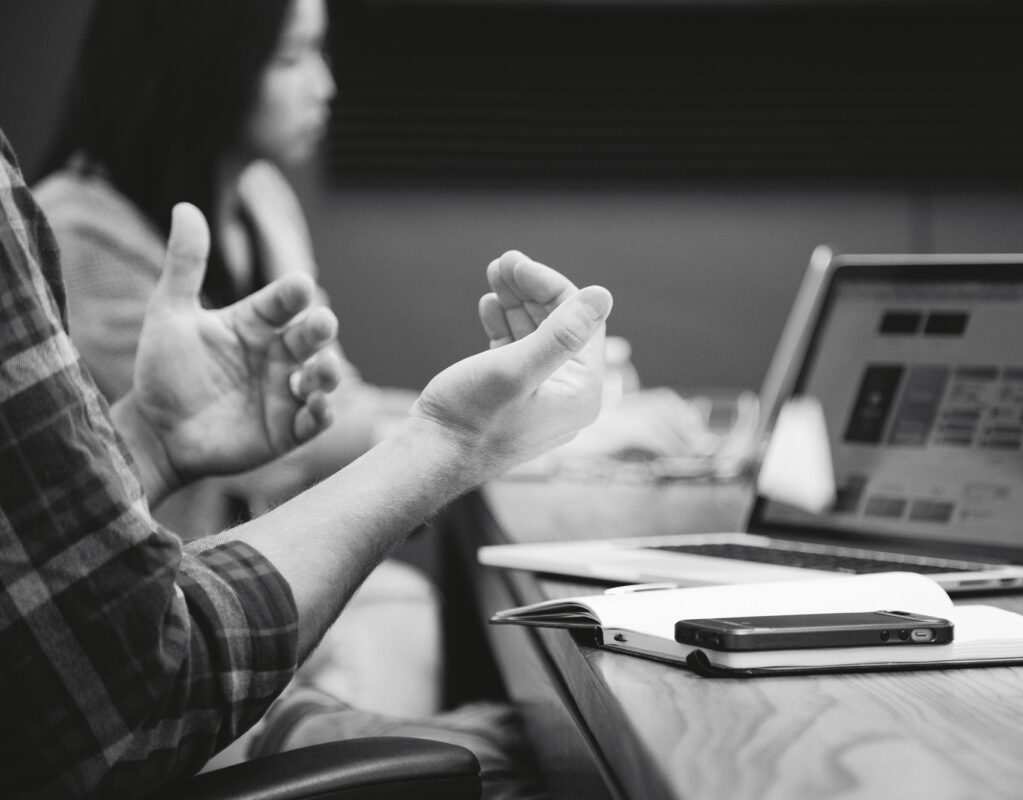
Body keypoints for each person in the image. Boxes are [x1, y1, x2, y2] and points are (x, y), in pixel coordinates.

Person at [2, 126, 613, 797]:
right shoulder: (71, 222)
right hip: (158, 735)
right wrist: (447, 443)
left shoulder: (263, 196)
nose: (324, 83)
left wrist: (147, 442)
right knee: (564, 765)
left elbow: (34, 560)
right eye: (293, 55)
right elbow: (133, 674)